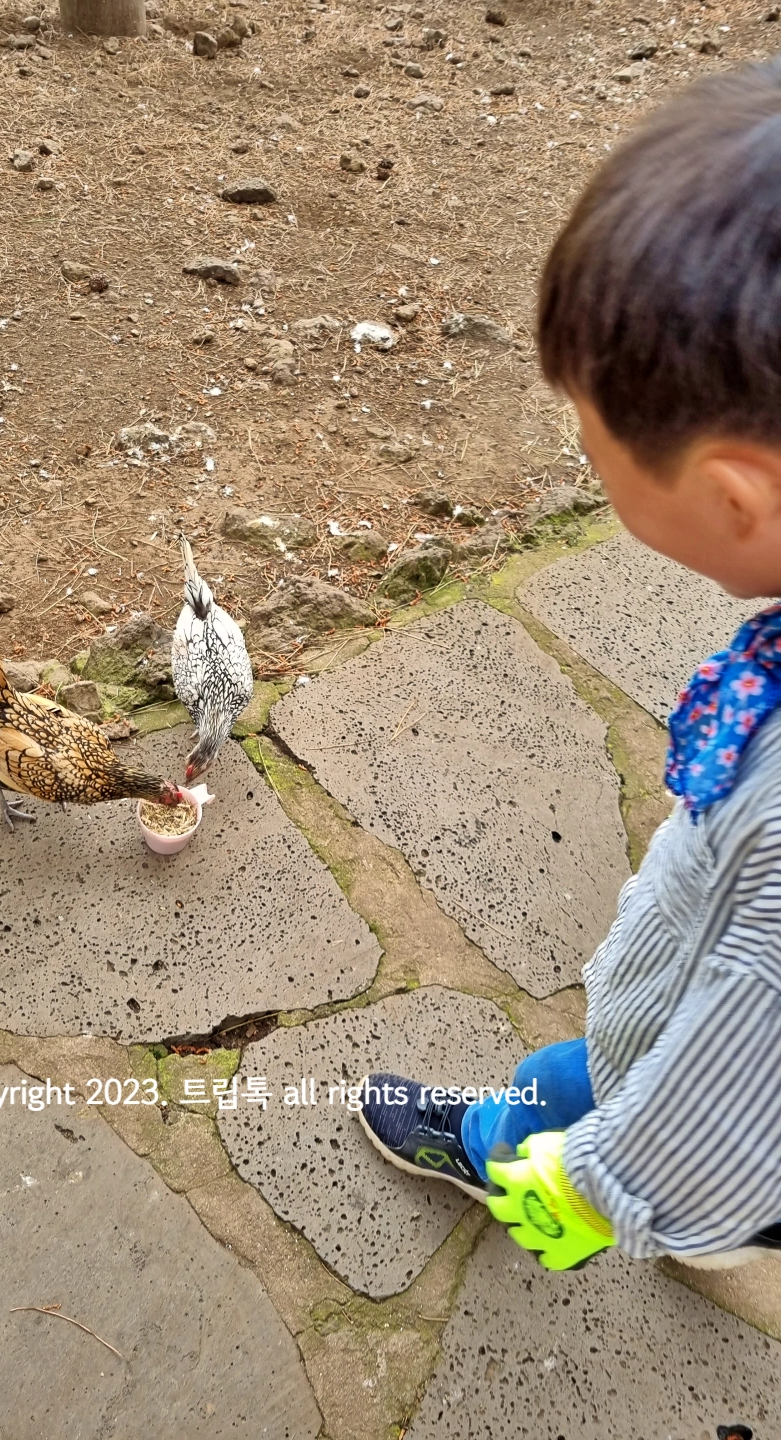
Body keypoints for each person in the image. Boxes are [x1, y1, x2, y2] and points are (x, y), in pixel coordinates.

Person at [359, 58, 781, 1271]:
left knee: (559, 1091)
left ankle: (496, 1151)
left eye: (594, 450)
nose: (587, 465)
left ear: (733, 498)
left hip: (694, 1098)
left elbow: (749, 1055)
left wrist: (599, 1186)